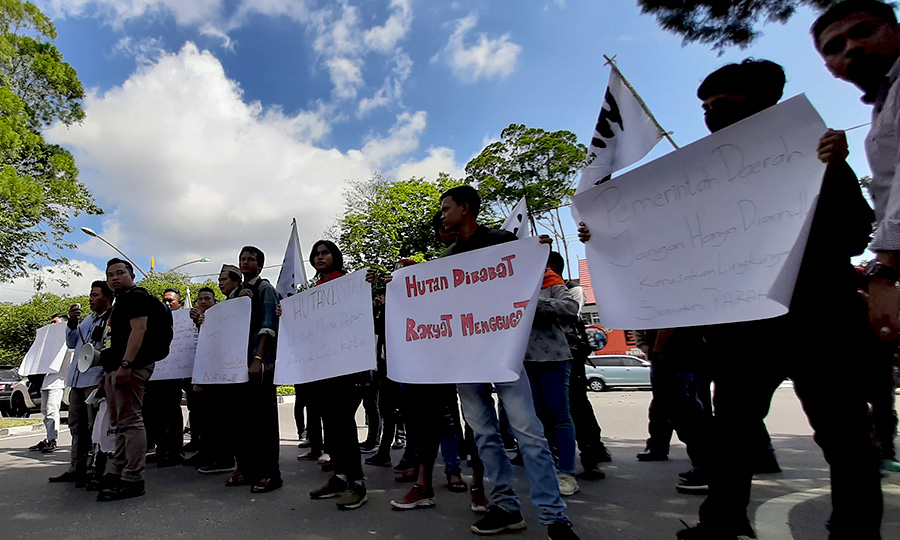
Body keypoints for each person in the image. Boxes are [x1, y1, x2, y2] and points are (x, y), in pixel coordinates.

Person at [581, 57, 881, 539]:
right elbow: (668, 243)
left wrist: (834, 167)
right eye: (705, 106)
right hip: (744, 329)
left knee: (844, 434)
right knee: (733, 433)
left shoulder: (815, 151)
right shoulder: (701, 180)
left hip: (820, 317)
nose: (711, 113)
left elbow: (854, 232)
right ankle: (722, 521)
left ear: (763, 101)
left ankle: (854, 529)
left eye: (721, 102)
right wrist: (604, 233)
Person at [438, 185, 581, 539]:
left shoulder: (503, 242)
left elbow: (528, 285)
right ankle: (505, 506)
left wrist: (535, 254)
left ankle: (554, 518)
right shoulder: (448, 258)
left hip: (506, 353)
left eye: (446, 207)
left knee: (528, 432)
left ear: (465, 208)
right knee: (484, 435)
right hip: (467, 357)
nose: (443, 214)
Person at [813, 1, 900, 482]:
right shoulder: (884, 106)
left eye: (863, 32)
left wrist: (884, 271)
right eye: (834, 47)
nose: (851, 49)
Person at [98, 258, 169, 501]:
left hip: (131, 367)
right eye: (110, 275)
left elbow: (139, 330)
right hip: (116, 368)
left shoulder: (136, 297)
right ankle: (117, 471)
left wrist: (126, 364)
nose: (114, 278)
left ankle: (133, 477)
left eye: (120, 273)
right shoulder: (120, 301)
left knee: (130, 421)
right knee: (119, 423)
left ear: (132, 275)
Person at [306, 240, 368, 510]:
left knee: (344, 424)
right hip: (323, 368)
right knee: (330, 423)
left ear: (336, 256)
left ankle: (358, 482)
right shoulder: (315, 290)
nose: (320, 257)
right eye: (316, 254)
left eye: (325, 253)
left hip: (346, 367)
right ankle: (340, 477)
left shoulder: (347, 283)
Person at [546, 251, 610, 479]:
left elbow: (568, 312)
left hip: (569, 355)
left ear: (554, 268)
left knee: (576, 405)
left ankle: (591, 455)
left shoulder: (572, 290)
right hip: (545, 355)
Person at [224, 246, 282, 493]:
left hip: (258, 364)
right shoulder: (236, 293)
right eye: (242, 259)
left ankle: (270, 473)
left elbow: (268, 326)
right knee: (241, 420)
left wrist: (258, 358)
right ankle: (246, 469)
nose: (245, 263)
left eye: (250, 259)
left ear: (260, 265)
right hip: (236, 366)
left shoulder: (265, 289)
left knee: (263, 421)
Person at [522, 258, 581, 497]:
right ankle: (546, 469)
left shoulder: (550, 280)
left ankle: (567, 472)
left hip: (554, 357)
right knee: (535, 417)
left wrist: (535, 304)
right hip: (523, 359)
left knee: (559, 415)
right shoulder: (507, 281)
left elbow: (571, 307)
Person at [49, 281, 113, 486]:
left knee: (95, 427)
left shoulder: (112, 318)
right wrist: (72, 323)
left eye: (95, 295)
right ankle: (76, 467)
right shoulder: (87, 320)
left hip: (94, 379)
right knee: (76, 425)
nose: (90, 299)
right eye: (90, 295)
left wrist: (105, 378)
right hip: (77, 380)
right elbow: (71, 343)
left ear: (108, 297)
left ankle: (96, 469)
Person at [144, 288, 185, 468]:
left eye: (171, 301)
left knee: (172, 412)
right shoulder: (156, 320)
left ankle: (175, 451)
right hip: (155, 375)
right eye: (165, 300)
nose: (167, 303)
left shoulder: (185, 321)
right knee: (154, 414)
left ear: (179, 304)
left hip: (173, 375)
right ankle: (161, 449)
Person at [28, 313, 71, 455]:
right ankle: (48, 437)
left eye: (56, 323)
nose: (52, 325)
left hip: (59, 380)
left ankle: (53, 439)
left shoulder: (67, 340)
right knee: (45, 411)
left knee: (52, 409)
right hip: (47, 380)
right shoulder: (51, 343)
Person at [183, 287, 216, 467]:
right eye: (200, 299)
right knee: (198, 413)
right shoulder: (190, 322)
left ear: (215, 302)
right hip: (195, 374)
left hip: (215, 377)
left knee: (212, 416)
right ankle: (202, 449)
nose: (203, 302)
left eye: (207, 298)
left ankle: (215, 454)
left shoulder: (221, 318)